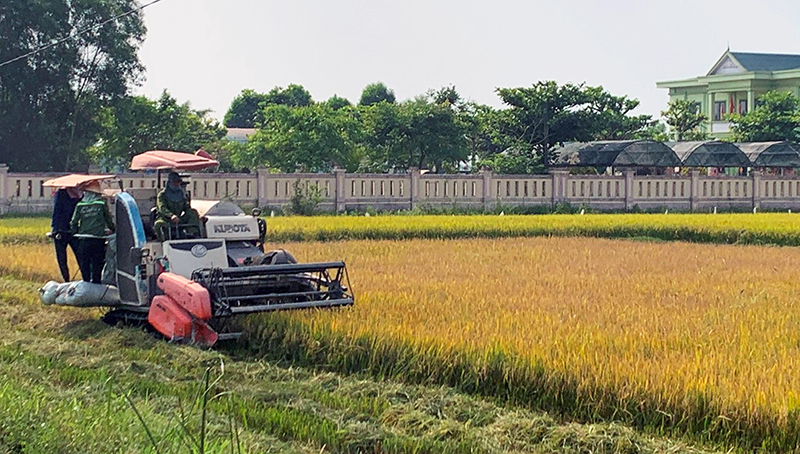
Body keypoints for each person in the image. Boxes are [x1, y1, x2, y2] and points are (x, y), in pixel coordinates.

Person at [70, 181, 114, 284]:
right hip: (97, 239)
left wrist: (75, 232)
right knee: (97, 264)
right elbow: (108, 219)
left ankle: (86, 283)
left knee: (85, 264)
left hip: (83, 239)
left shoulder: (80, 205)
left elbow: (74, 222)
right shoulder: (101, 203)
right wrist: (112, 229)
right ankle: (96, 284)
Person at [153, 171, 201, 241]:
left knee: (193, 212)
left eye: (178, 182)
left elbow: (187, 207)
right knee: (158, 224)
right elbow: (162, 208)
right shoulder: (162, 195)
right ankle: (163, 240)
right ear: (170, 182)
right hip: (166, 219)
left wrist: (198, 216)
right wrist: (171, 215)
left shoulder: (181, 194)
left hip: (178, 219)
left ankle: (192, 234)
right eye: (175, 182)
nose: (177, 184)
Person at [51, 187, 83, 282]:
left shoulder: (81, 195)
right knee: (62, 258)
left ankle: (86, 278)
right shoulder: (61, 194)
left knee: (81, 256)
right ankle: (66, 280)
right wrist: (55, 229)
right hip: (60, 230)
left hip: (74, 230)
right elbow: (56, 211)